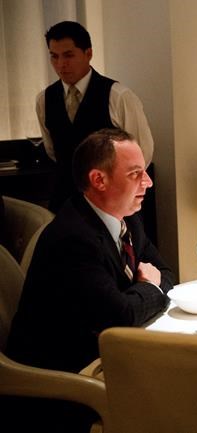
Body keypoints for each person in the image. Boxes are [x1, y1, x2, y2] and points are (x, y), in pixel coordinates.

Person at [5, 128, 173, 433]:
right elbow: (121, 315)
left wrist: (148, 290)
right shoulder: (73, 238)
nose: (148, 182)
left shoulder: (128, 219)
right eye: (135, 174)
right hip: (59, 385)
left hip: (108, 355)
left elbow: (167, 274)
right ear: (99, 180)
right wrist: (150, 287)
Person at [36, 20, 154, 212]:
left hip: (113, 202)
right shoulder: (44, 99)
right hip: (66, 201)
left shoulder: (118, 96)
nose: (61, 64)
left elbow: (142, 153)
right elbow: (52, 150)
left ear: (88, 53)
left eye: (68, 55)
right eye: (54, 57)